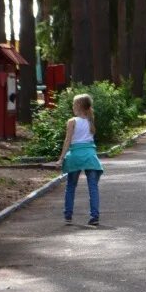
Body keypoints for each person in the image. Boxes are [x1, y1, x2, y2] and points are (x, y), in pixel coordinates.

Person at [55, 93, 104, 225]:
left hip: (75, 156)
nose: (72, 106)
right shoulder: (90, 121)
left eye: (73, 103)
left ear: (78, 106)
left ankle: (68, 216)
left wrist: (61, 158)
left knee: (71, 186)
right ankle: (95, 216)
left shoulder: (72, 121)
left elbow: (68, 141)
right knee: (93, 187)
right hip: (90, 156)